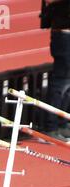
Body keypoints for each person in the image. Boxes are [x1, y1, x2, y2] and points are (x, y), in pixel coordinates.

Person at [40, 0, 70, 140]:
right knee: (60, 83)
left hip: (66, 34)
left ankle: (62, 123)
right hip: (63, 37)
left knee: (68, 84)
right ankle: (51, 127)